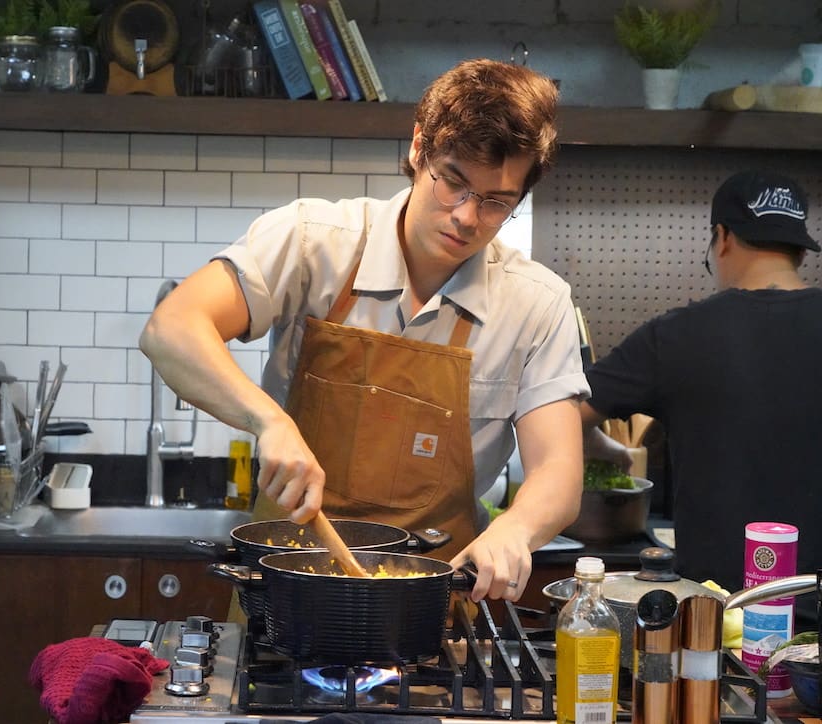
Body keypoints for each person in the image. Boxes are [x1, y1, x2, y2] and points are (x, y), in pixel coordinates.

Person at [140, 58, 590, 603]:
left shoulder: (537, 303)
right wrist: (269, 422)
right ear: (418, 147)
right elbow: (171, 328)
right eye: (453, 182)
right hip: (283, 596)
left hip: (433, 609)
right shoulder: (314, 241)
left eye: (497, 202)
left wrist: (515, 530)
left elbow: (559, 474)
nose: (468, 217)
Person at [582, 169, 822, 623]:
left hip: (712, 618)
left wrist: (604, 448)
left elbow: (566, 412)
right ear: (798, 246)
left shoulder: (675, 336)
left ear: (723, 237)